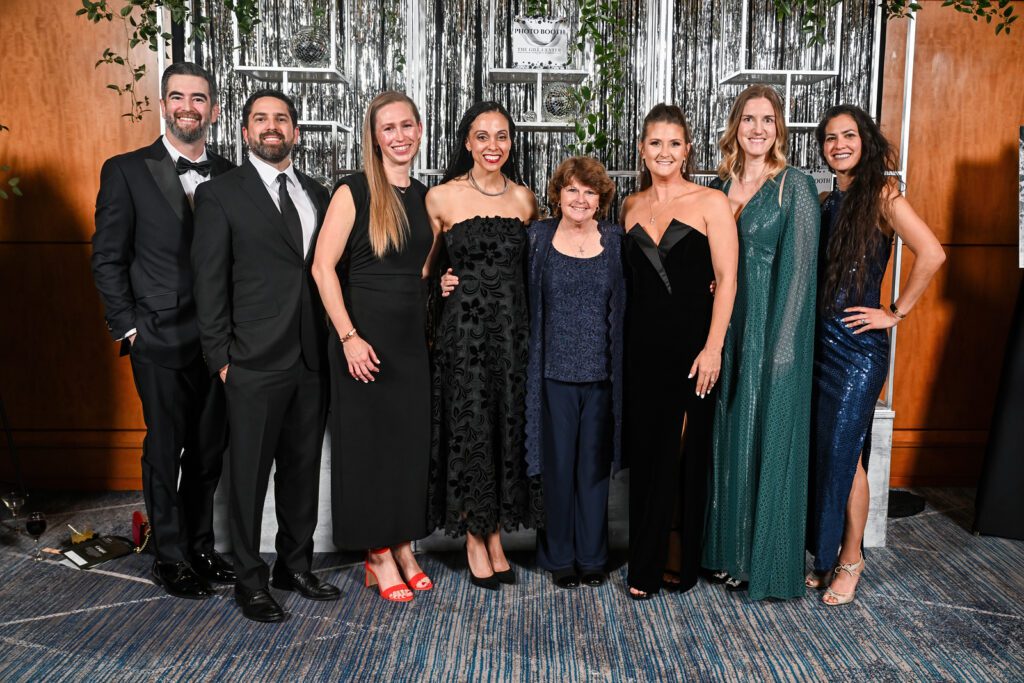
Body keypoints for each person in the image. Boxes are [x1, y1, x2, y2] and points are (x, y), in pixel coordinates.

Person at [191, 89, 339, 622]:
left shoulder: (318, 193)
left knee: (301, 469)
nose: (271, 126)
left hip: (311, 356)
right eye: (261, 119)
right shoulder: (219, 194)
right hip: (250, 359)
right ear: (245, 131)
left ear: (296, 132)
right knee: (249, 478)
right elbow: (209, 282)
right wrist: (221, 357)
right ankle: (250, 580)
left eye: (281, 119)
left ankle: (294, 565)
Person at [91, 61, 235, 599]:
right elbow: (107, 257)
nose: (187, 107)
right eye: (178, 97)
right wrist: (128, 328)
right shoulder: (126, 170)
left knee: (208, 452)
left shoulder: (231, 174)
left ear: (213, 109)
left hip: (220, 340)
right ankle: (170, 557)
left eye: (198, 98)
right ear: (163, 105)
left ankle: (201, 547)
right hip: (157, 336)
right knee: (164, 450)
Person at [807, 105, 944, 605]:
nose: (839, 144)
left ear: (864, 141)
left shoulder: (884, 196)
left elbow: (932, 252)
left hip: (857, 350)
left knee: (846, 457)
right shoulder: (826, 201)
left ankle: (851, 559)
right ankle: (826, 555)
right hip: (818, 345)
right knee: (827, 454)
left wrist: (894, 311)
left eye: (848, 135)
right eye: (830, 138)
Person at [311, 91, 435, 603]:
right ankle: (377, 554)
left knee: (408, 449)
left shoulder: (425, 196)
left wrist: (443, 282)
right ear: (375, 137)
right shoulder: (354, 190)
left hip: (411, 343)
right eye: (389, 128)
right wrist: (348, 337)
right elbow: (322, 268)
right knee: (368, 450)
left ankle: (403, 545)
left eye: (407, 126)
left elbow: (419, 270)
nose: (400, 136)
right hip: (362, 339)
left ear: (420, 129)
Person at [702, 84, 820, 601]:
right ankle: (726, 554)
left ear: (779, 128)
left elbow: (801, 274)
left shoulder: (795, 186)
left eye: (767, 120)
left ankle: (759, 563)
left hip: (771, 330)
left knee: (763, 437)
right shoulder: (717, 185)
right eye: (748, 119)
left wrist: (784, 349)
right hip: (724, 328)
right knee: (728, 436)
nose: (757, 128)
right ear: (736, 126)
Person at [619, 104, 739, 599]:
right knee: (647, 453)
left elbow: (727, 280)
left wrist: (713, 348)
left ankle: (677, 558)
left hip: (693, 348)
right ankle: (643, 562)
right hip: (641, 349)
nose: (664, 152)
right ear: (642, 150)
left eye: (674, 143)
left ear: (687, 149)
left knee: (682, 453)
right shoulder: (629, 205)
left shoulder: (712, 201)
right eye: (655, 143)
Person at [428, 101, 543, 590]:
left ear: (511, 143)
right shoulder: (441, 198)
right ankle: (475, 538)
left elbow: (537, 269)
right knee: (471, 428)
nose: (492, 145)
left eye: (502, 136)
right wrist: (440, 284)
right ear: (467, 142)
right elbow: (423, 270)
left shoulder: (525, 200)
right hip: (465, 337)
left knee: (503, 430)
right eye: (482, 136)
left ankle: (494, 534)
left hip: (513, 337)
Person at [524, 157, 625, 590]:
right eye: (572, 190)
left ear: (600, 199)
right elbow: (508, 286)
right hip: (552, 374)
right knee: (558, 470)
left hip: (602, 375)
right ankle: (559, 556)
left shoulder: (615, 241)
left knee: (593, 472)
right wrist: (449, 280)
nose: (580, 199)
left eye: (589, 191)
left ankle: (593, 556)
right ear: (558, 195)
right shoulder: (538, 238)